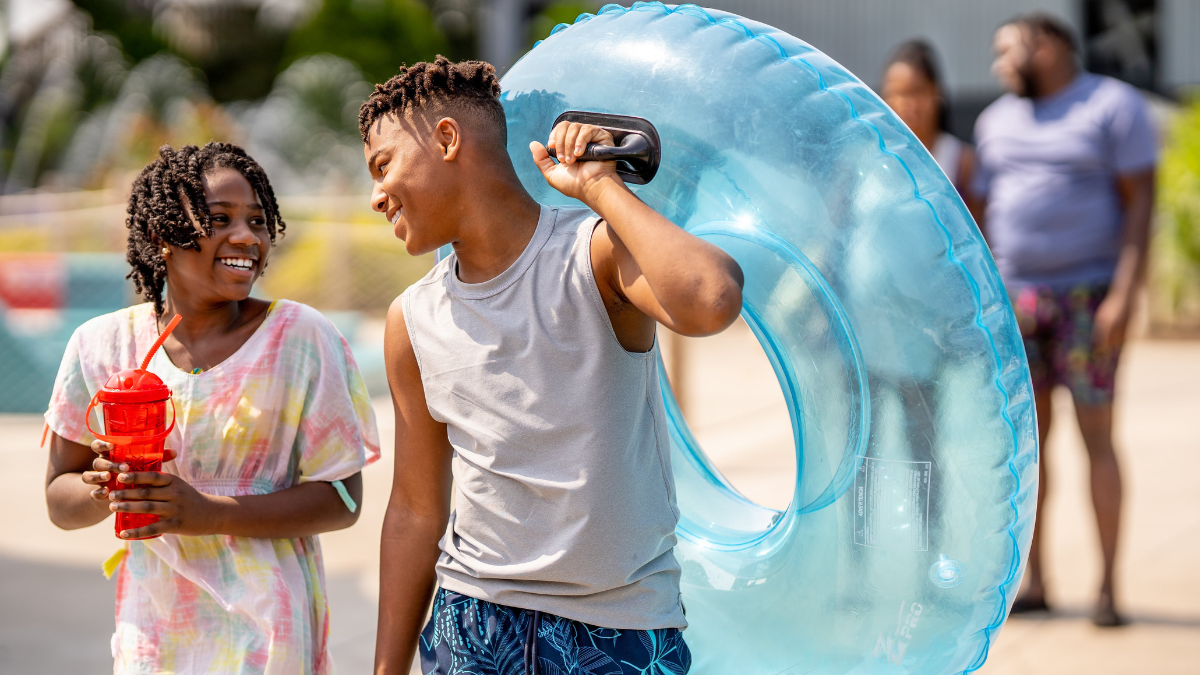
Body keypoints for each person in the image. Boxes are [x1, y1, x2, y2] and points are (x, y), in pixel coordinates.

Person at [361, 57, 743, 674]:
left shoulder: (591, 255)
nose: (376, 195)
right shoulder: (411, 321)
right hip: (473, 628)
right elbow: (413, 510)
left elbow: (712, 299)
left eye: (384, 165)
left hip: (618, 628)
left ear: (448, 139)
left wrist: (601, 188)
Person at [43, 142, 381, 672]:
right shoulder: (102, 346)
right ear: (161, 237)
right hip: (155, 633)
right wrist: (105, 489)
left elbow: (343, 498)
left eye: (258, 221)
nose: (246, 237)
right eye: (219, 218)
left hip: (269, 631)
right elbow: (59, 499)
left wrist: (205, 513)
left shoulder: (300, 339)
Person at [970, 14, 1157, 626]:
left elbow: (1141, 203)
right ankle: (1037, 581)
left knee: (1096, 438)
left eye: (1007, 50)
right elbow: (984, 209)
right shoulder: (994, 122)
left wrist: (1125, 295)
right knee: (1031, 446)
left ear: (1045, 45)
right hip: (1018, 303)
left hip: (1090, 298)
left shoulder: (1113, 106)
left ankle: (1107, 589)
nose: (999, 64)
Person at [881, 39, 975, 196]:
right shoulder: (875, 157)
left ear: (936, 92)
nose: (908, 103)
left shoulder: (962, 161)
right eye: (898, 93)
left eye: (917, 91)